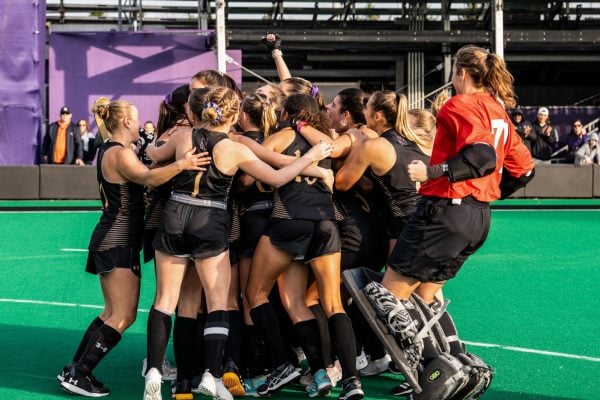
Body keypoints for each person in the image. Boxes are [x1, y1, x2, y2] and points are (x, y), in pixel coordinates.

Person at [361, 45, 534, 396]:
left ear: (463, 74)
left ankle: (433, 373)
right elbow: (525, 169)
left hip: (446, 209)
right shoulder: (498, 110)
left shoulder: (462, 103)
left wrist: (432, 171)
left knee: (386, 296)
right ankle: (457, 362)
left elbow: (481, 155)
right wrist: (489, 190)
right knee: (426, 296)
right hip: (478, 218)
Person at [142, 87, 332, 400]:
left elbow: (152, 155)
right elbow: (276, 178)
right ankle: (213, 373)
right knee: (219, 302)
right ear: (233, 116)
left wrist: (162, 142)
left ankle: (155, 371)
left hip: (176, 213)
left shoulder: (182, 136)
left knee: (165, 300)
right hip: (211, 219)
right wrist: (311, 159)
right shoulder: (234, 147)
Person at [57, 97, 210, 398]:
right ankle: (79, 373)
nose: (141, 123)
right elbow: (147, 177)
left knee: (110, 313)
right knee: (123, 316)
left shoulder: (116, 150)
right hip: (118, 239)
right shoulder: (119, 153)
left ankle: (74, 368)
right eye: (137, 118)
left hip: (115, 238)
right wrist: (182, 164)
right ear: (126, 122)